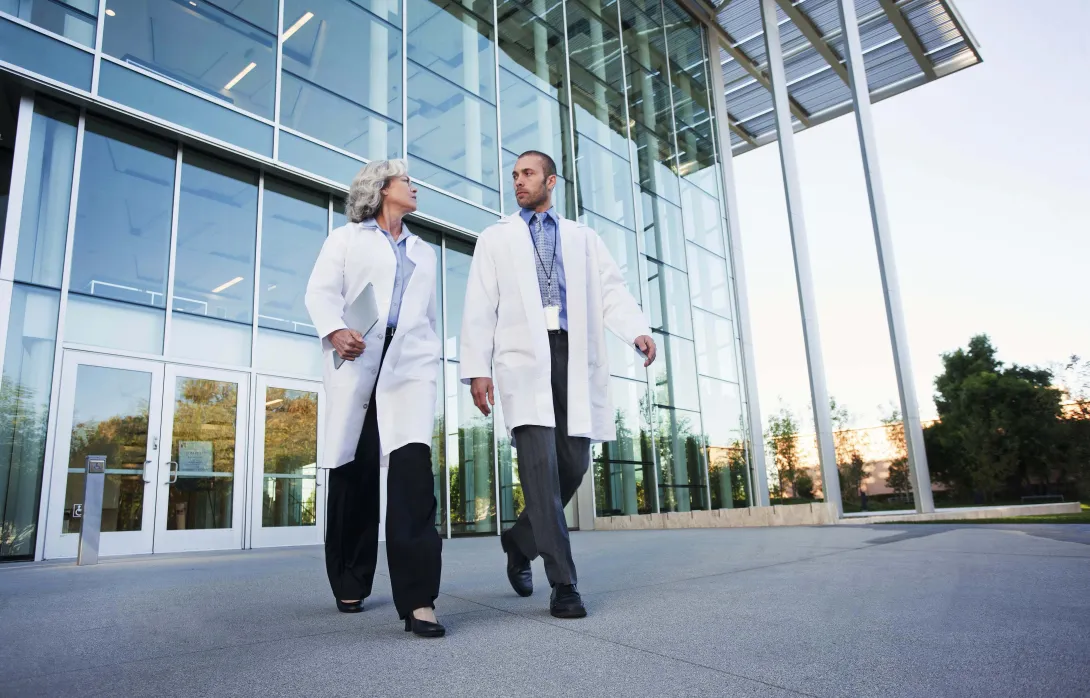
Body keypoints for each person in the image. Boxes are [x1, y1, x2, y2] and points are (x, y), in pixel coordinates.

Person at [459, 150, 657, 619]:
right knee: (540, 471)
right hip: (523, 360)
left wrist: (637, 329)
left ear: (551, 180)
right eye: (514, 175)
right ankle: (564, 584)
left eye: (527, 174)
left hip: (572, 353)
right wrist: (478, 369)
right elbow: (478, 305)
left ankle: (519, 539)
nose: (518, 182)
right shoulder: (495, 238)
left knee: (572, 464)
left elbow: (611, 290)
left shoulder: (583, 238)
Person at [305, 159, 445, 638]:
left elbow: (427, 317)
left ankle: (419, 601)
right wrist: (336, 330)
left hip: (408, 368)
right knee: (355, 474)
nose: (414, 187)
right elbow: (320, 292)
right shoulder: (346, 238)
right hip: (360, 358)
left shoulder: (425, 252)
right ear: (383, 188)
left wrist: (430, 360)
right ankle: (351, 578)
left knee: (412, 480)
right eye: (407, 181)